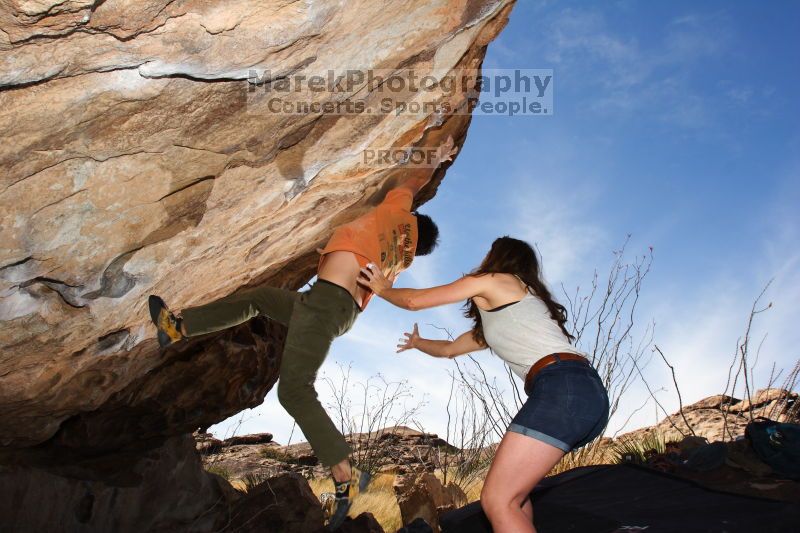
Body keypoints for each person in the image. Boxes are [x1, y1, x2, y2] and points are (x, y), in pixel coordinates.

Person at [147, 147, 452, 527]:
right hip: (325, 305)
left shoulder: (397, 215)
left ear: (414, 222)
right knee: (258, 300)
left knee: (294, 390)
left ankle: (345, 474)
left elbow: (412, 180)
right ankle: (179, 327)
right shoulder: (400, 259)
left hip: (327, 305)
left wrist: (436, 157)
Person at [358, 236, 610, 533]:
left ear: (500, 257)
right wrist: (418, 342)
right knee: (514, 498)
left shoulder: (496, 280)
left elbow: (415, 301)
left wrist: (384, 289)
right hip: (584, 395)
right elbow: (450, 349)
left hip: (561, 387)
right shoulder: (509, 314)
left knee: (498, 500)